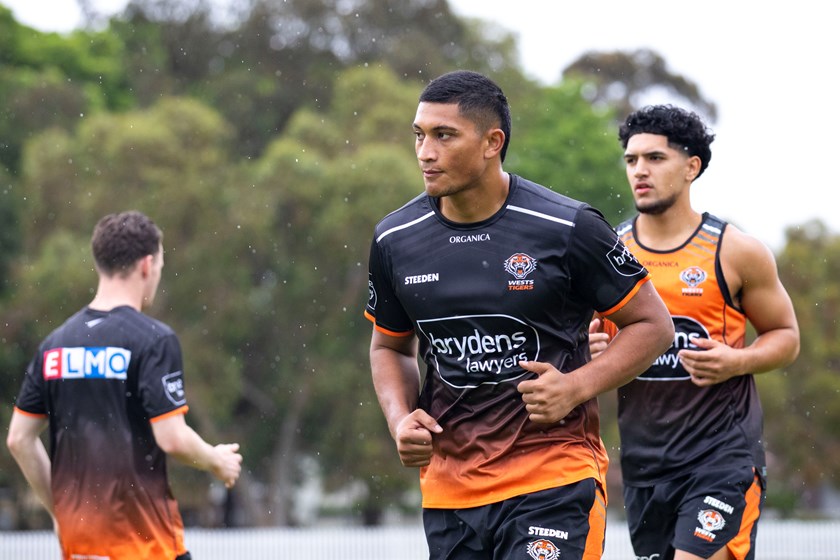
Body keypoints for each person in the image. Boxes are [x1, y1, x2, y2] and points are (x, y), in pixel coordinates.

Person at [364, 70, 674, 560]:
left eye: (444, 136)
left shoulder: (568, 227)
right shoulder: (394, 240)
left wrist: (575, 387)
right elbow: (389, 346)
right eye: (419, 135)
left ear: (493, 142)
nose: (425, 152)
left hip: (553, 478)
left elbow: (654, 326)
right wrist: (400, 419)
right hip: (451, 492)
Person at [589, 105, 800, 560]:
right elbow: (587, 349)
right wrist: (593, 352)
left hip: (722, 458)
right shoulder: (610, 255)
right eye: (631, 160)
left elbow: (786, 336)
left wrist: (739, 360)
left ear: (691, 167)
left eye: (655, 158)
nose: (639, 170)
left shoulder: (735, 251)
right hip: (645, 468)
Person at [6, 210, 243, 560]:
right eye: (160, 267)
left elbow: (19, 439)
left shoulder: (55, 345)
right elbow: (173, 438)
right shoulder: (153, 340)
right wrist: (216, 461)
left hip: (82, 549)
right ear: (147, 265)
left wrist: (61, 512)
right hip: (147, 548)